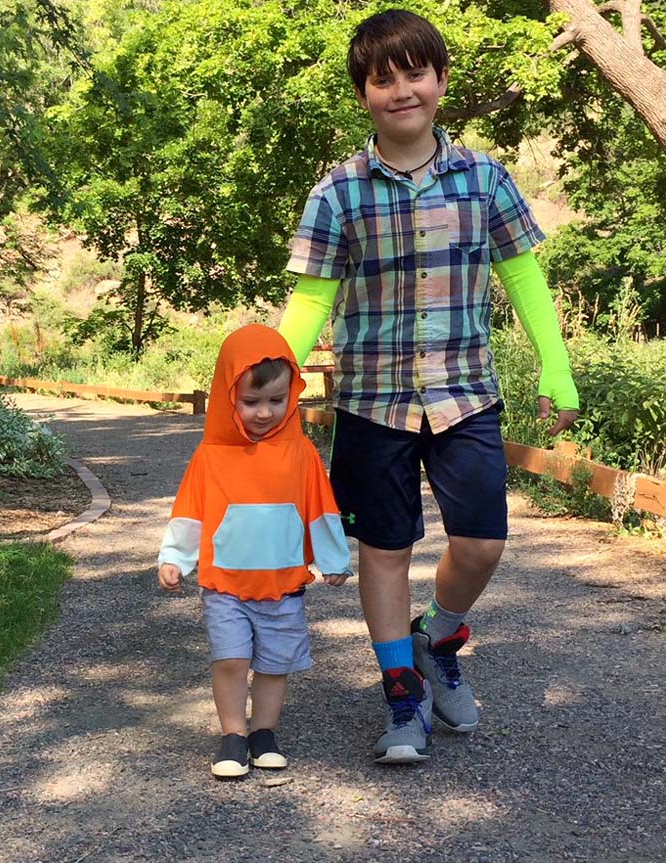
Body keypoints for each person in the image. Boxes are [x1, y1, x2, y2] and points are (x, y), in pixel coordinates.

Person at [278, 8, 579, 764]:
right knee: (384, 550)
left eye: (416, 73)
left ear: (441, 81)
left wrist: (557, 365)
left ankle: (435, 638)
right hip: (372, 402)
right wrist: (272, 384)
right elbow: (311, 302)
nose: (401, 90)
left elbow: (523, 277)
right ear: (364, 95)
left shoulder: (486, 178)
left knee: (480, 544)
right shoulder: (337, 193)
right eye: (383, 79)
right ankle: (403, 700)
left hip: (465, 393)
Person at [158, 324, 352, 778]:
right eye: (250, 402)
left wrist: (333, 559)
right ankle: (233, 735)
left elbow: (319, 509)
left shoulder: (300, 452)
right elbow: (191, 512)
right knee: (230, 660)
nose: (264, 412)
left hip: (282, 586)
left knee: (273, 665)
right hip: (224, 584)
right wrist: (175, 558)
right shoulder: (211, 455)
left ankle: (264, 732)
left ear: (292, 396)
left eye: (276, 401)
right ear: (229, 399)